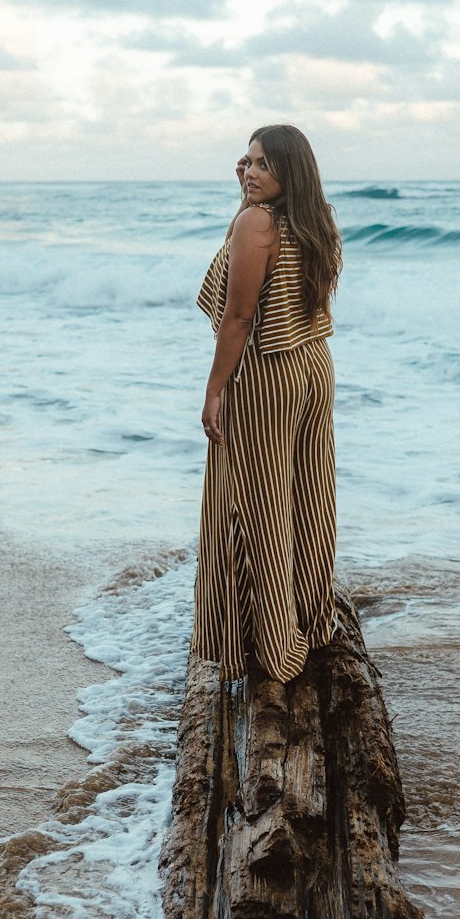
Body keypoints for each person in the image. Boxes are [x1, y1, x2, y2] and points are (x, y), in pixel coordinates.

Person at [192, 124, 342, 683]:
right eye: (247, 162)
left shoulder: (255, 223)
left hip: (265, 376)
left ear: (288, 172)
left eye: (262, 165)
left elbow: (238, 317)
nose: (251, 172)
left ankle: (273, 648)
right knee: (306, 491)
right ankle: (307, 617)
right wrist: (247, 195)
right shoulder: (316, 220)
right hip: (312, 366)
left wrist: (213, 391)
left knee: (255, 505)